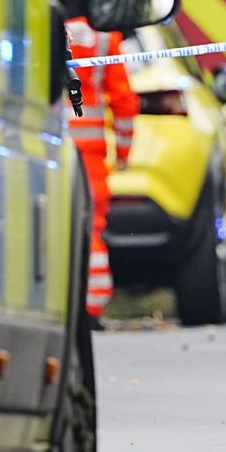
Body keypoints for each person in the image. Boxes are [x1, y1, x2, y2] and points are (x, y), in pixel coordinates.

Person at [66, 16, 138, 324]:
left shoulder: (42, 20)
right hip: (90, 151)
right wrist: (124, 149)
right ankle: (91, 305)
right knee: (91, 224)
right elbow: (122, 100)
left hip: (48, 142)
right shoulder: (106, 38)